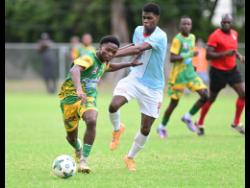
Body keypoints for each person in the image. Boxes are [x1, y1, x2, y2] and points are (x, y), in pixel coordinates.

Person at [58, 35, 142, 173]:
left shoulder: (104, 61)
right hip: (70, 98)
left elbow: (109, 67)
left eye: (113, 52)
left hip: (89, 97)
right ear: (100, 47)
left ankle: (84, 160)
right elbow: (74, 70)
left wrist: (129, 64)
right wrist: (78, 89)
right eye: (107, 50)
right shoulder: (89, 57)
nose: (109, 54)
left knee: (91, 120)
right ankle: (78, 149)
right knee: (71, 137)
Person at [108, 3, 167, 171]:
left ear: (157, 19)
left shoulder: (160, 36)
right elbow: (135, 49)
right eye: (144, 18)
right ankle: (117, 129)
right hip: (134, 78)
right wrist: (113, 53)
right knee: (113, 105)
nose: (146, 21)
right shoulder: (138, 30)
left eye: (150, 18)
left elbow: (141, 47)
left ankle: (130, 157)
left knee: (146, 128)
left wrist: (111, 54)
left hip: (153, 88)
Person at [156, 16, 209, 139]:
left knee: (205, 95)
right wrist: (190, 54)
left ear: (191, 25)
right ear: (180, 26)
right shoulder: (177, 39)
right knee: (174, 104)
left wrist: (192, 65)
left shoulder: (192, 37)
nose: (186, 26)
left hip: (190, 74)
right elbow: (172, 58)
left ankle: (188, 117)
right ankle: (162, 127)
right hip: (178, 76)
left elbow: (188, 58)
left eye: (188, 24)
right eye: (184, 24)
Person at [195, 14, 245, 136]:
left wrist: (239, 56)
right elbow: (208, 55)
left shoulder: (234, 34)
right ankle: (200, 122)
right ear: (221, 23)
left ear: (231, 23)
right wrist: (224, 53)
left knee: (243, 94)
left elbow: (233, 50)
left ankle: (236, 123)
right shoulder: (215, 36)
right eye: (224, 22)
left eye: (228, 22)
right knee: (211, 99)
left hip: (232, 70)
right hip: (218, 72)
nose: (226, 24)